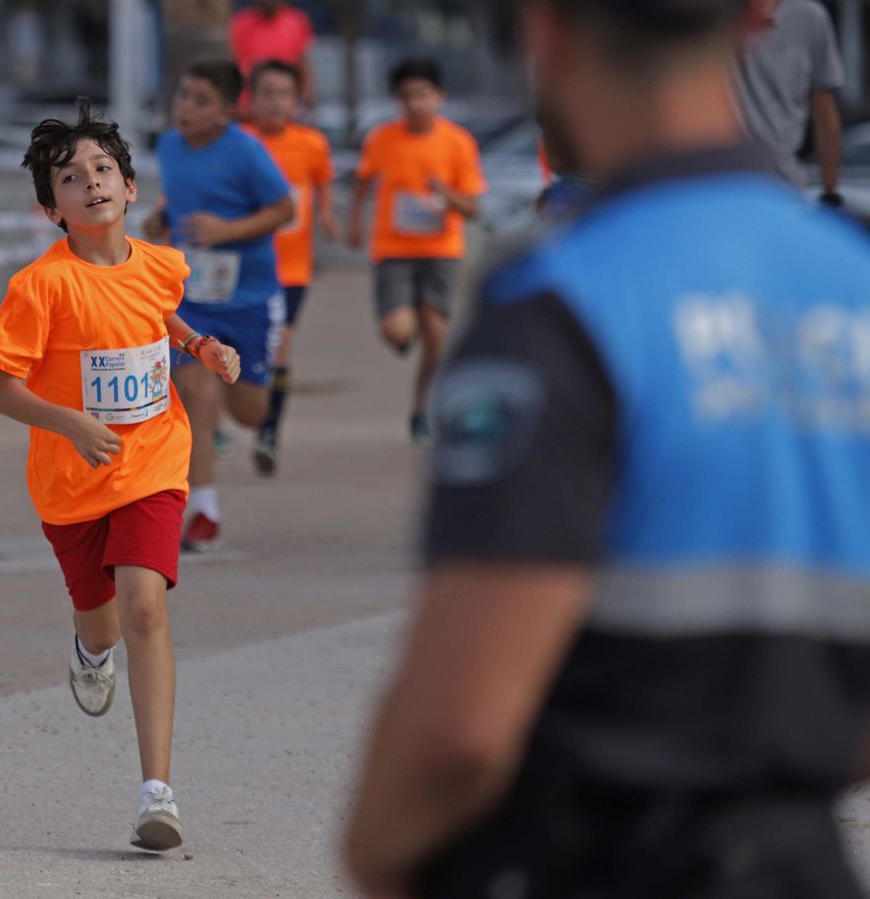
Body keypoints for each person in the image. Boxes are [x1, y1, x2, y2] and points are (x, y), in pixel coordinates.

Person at [342, 0, 870, 896]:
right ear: (753, 23)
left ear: (546, 30)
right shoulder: (850, 283)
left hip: (592, 858)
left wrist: (379, 852)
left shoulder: (557, 308)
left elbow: (459, 729)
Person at [0, 100, 241, 852]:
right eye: (70, 177)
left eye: (103, 169)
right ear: (51, 207)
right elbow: (1, 388)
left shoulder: (159, 263)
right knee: (101, 619)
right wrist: (69, 422)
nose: (90, 182)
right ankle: (89, 649)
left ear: (131, 188)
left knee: (145, 607)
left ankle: (157, 793)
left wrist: (201, 346)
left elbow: (162, 316)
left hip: (155, 459)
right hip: (71, 482)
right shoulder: (41, 286)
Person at [144, 60, 293, 552]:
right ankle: (204, 510)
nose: (185, 107)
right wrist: (161, 219)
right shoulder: (168, 146)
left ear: (229, 110)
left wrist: (227, 231)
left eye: (200, 101)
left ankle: (248, 408)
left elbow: (284, 209)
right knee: (194, 396)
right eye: (183, 95)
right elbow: (181, 200)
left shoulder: (247, 153)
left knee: (250, 412)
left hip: (249, 297)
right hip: (192, 298)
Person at [347, 57, 485, 445]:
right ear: (397, 100)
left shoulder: (458, 142)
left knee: (437, 337)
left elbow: (473, 207)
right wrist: (355, 221)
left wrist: (446, 194)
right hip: (393, 248)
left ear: (439, 97)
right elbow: (362, 181)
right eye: (407, 96)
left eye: (422, 94)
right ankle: (405, 336)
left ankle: (423, 409)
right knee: (398, 330)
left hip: (441, 249)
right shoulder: (382, 139)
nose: (415, 103)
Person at [242, 60, 337, 477]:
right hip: (242, 267)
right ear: (251, 98)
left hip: (291, 270)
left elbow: (321, 183)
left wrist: (330, 218)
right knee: (231, 351)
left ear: (297, 100)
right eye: (267, 93)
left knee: (279, 350)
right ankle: (213, 421)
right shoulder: (240, 142)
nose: (275, 102)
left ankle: (268, 434)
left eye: (284, 94)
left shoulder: (312, 143)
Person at [737, 0, 845, 203]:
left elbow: (825, 114)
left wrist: (830, 193)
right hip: (721, 182)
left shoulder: (810, 19)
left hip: (784, 185)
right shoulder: (714, 15)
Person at [229, 0, 317, 110]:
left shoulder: (297, 21)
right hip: (250, 100)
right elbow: (234, 63)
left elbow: (303, 61)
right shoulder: (241, 22)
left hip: (286, 99)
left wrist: (308, 91)